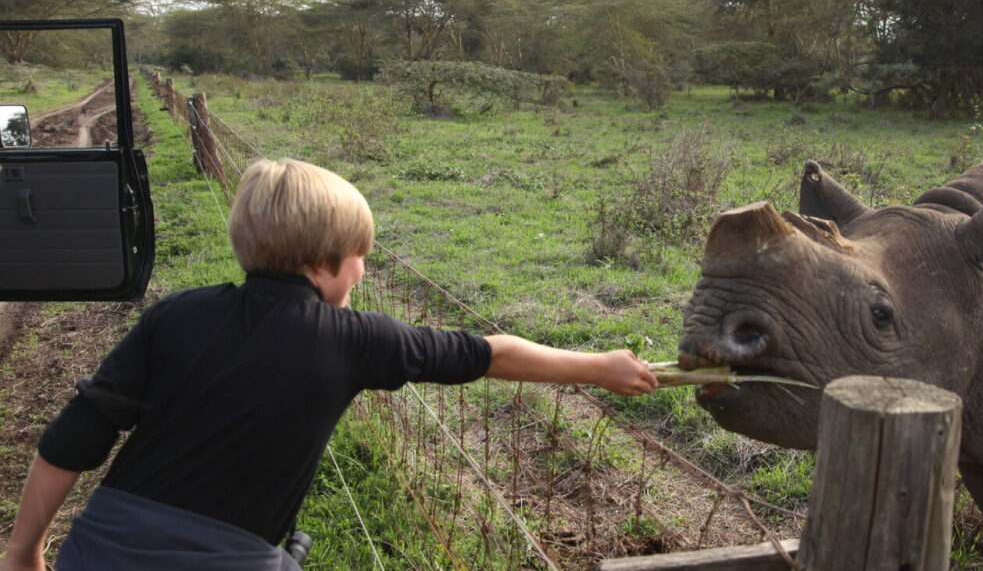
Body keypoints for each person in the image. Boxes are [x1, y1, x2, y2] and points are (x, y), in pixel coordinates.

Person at [0, 158, 658, 571]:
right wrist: (599, 366)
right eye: (359, 255)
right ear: (322, 264)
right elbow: (490, 354)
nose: (365, 270)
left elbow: (78, 434)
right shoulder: (354, 339)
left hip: (104, 543)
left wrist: (25, 548)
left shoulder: (177, 314)